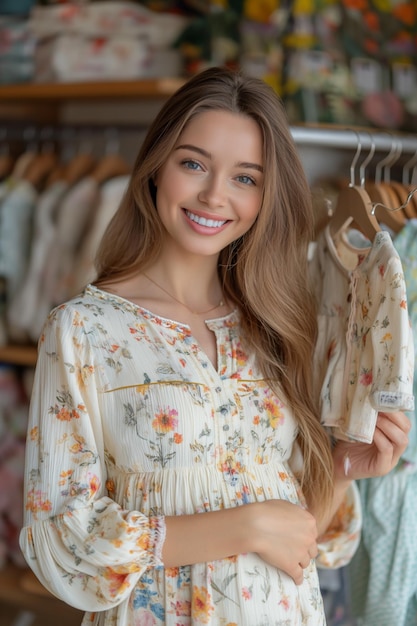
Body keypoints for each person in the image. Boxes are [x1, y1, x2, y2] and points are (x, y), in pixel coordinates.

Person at [19, 66, 410, 626]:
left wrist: (345, 467)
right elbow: (63, 533)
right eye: (194, 163)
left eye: (245, 178)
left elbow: (301, 538)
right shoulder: (84, 331)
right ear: (157, 166)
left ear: (265, 195)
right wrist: (244, 526)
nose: (213, 195)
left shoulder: (277, 325)